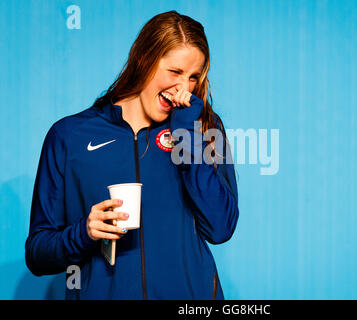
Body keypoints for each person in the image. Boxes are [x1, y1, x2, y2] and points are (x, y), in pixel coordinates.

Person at [25, 10, 239, 300]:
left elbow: (220, 228)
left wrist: (188, 140)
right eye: (175, 72)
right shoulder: (69, 136)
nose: (183, 89)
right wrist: (84, 233)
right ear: (144, 60)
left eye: (193, 77)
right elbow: (37, 253)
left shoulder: (202, 129)